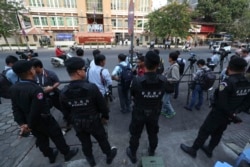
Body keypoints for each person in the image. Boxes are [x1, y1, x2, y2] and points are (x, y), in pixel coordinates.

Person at [10, 60, 78, 164]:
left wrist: (22, 123)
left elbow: (15, 108)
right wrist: (29, 125)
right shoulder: (36, 89)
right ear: (30, 71)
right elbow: (36, 109)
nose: (34, 70)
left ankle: (50, 155)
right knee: (57, 135)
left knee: (41, 140)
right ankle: (67, 153)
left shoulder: (14, 88)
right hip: (43, 120)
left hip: (29, 121)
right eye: (32, 68)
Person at [180, 57, 250, 158]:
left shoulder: (227, 83)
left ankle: (193, 149)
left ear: (230, 66)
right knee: (218, 133)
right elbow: (247, 102)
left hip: (218, 114)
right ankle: (209, 150)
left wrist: (232, 114)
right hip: (229, 116)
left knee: (204, 131)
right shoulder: (247, 83)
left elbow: (222, 103)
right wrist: (235, 113)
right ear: (243, 69)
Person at [60, 57, 117, 166]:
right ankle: (109, 156)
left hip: (78, 123)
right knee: (102, 139)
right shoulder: (91, 88)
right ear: (78, 71)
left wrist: (73, 121)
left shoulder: (64, 92)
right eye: (84, 69)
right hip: (94, 122)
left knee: (85, 142)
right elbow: (102, 106)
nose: (85, 71)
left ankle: (91, 161)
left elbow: (65, 112)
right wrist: (105, 116)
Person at [126, 51, 169, 163]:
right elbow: (168, 90)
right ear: (157, 65)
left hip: (139, 112)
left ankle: (133, 154)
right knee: (153, 133)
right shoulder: (163, 80)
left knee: (135, 135)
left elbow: (133, 95)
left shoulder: (137, 80)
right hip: (154, 112)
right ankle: (151, 151)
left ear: (145, 63)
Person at [161, 52, 180, 118]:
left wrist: (166, 79)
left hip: (169, 86)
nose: (168, 58)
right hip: (167, 85)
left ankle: (171, 112)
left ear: (171, 58)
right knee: (166, 99)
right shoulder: (172, 65)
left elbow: (176, 79)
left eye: (169, 57)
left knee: (164, 101)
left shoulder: (174, 67)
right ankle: (167, 110)